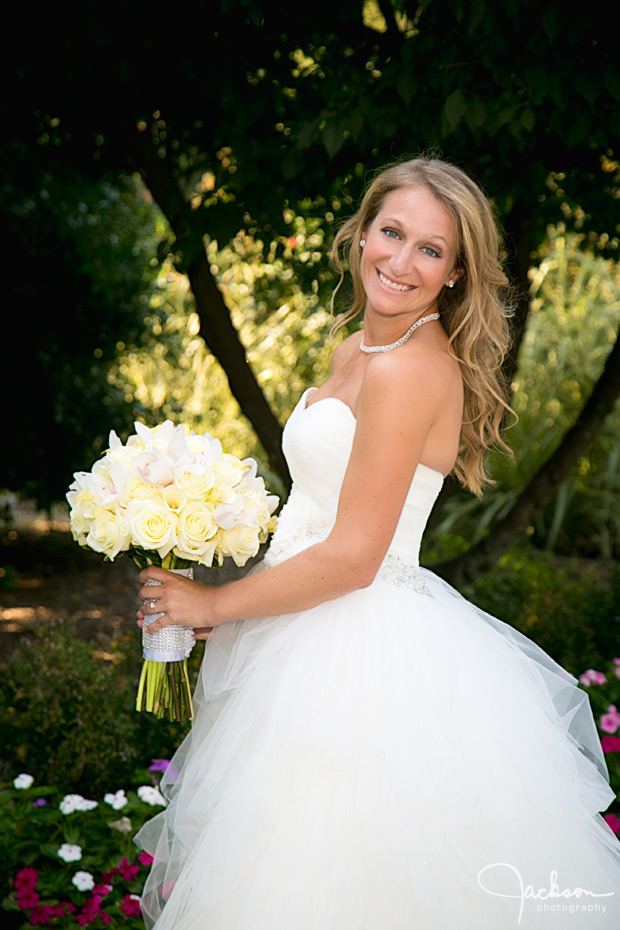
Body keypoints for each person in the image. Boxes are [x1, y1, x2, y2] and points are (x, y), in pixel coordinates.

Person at [134, 157, 620, 929]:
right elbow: (318, 510)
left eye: (431, 250)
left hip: (355, 650)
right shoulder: (356, 348)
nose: (401, 261)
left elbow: (357, 555)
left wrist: (216, 603)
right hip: (294, 622)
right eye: (390, 233)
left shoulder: (411, 372)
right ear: (360, 235)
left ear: (457, 272)